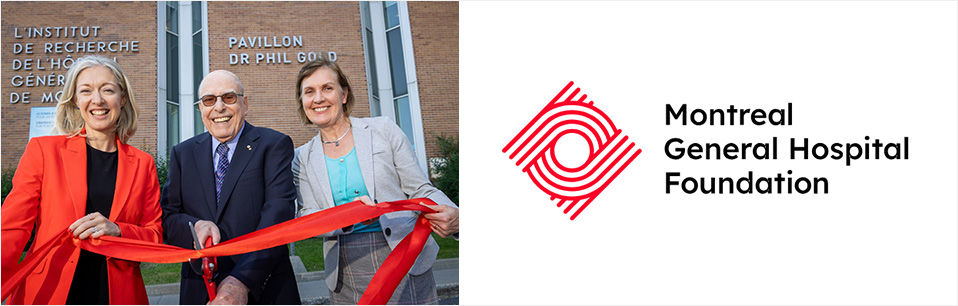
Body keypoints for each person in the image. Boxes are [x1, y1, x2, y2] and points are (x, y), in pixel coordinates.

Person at [291, 58, 459, 304]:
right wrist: (350, 216)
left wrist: (455, 215)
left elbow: (420, 188)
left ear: (344, 94)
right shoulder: (301, 158)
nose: (318, 98)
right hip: (345, 270)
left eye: (327, 88)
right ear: (302, 101)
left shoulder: (383, 130)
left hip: (405, 256)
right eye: (309, 92)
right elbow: (307, 215)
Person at [0, 55, 162, 305]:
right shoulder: (44, 151)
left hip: (118, 294)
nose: (97, 100)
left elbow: (155, 236)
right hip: (49, 291)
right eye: (86, 91)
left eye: (107, 90)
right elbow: (12, 228)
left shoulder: (143, 163)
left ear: (123, 98)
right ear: (76, 100)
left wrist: (118, 230)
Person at [160, 70, 301, 305]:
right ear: (201, 109)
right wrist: (195, 227)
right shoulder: (182, 154)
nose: (219, 107)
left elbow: (278, 216)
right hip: (199, 290)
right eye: (209, 100)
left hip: (264, 288)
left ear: (245, 104)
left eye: (228, 97)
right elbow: (167, 218)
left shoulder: (274, 145)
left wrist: (241, 281)